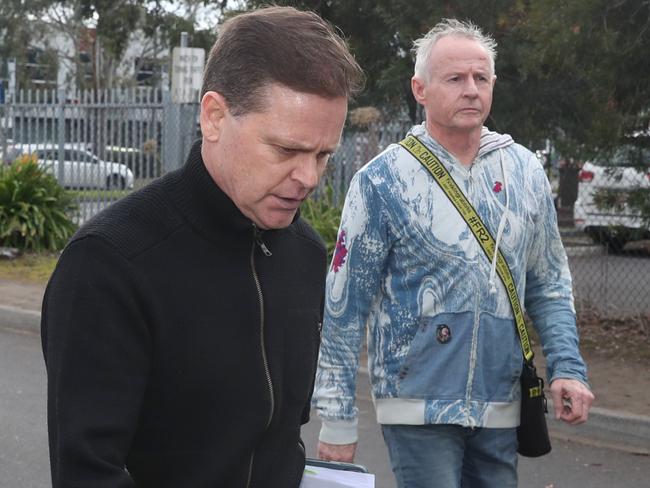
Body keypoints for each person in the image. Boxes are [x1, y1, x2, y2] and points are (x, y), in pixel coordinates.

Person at [40, 6, 363, 487]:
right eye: (286, 150)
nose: (308, 177)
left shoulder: (305, 254)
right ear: (214, 116)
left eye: (323, 154)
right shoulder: (109, 263)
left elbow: (282, 436)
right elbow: (89, 471)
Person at [312, 18, 594, 487]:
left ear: (494, 86)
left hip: (500, 402)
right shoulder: (382, 180)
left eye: (481, 78)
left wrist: (568, 367)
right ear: (420, 89)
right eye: (455, 78)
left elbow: (549, 280)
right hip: (415, 402)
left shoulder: (524, 171)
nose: (471, 90)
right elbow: (344, 307)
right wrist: (337, 419)